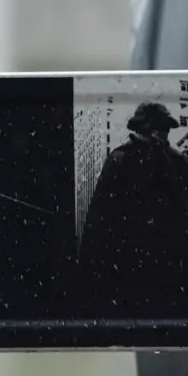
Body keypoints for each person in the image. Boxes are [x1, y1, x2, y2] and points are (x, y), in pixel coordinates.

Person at [79, 102, 188, 317]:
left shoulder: (175, 161)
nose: (163, 136)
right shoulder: (121, 161)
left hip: (169, 260)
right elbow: (101, 217)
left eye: (165, 130)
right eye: (159, 130)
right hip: (130, 259)